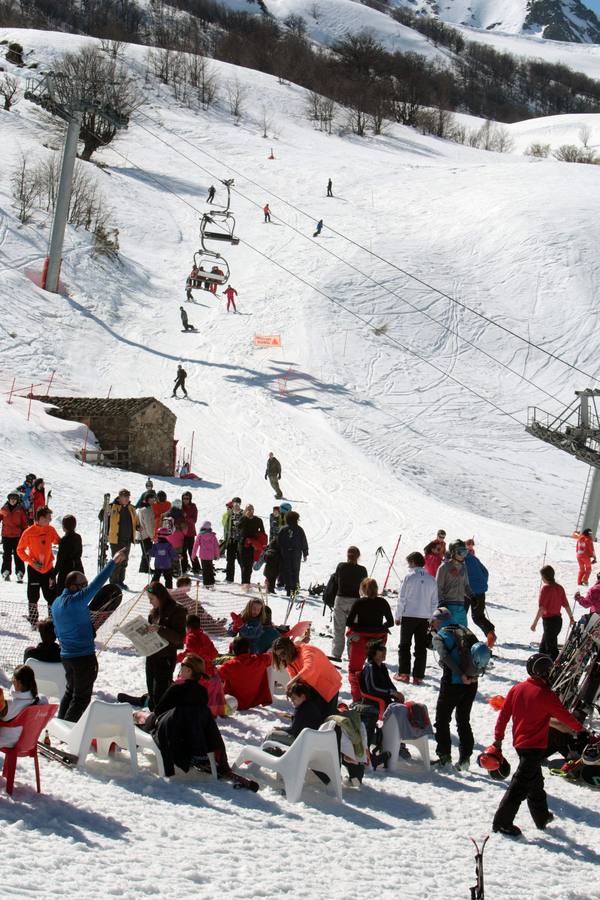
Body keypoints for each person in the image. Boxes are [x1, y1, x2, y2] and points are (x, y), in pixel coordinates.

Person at [491, 653, 583, 837]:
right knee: (519, 787)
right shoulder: (546, 694)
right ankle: (502, 823)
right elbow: (564, 716)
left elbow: (503, 716)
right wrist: (582, 731)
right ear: (543, 672)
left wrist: (498, 739)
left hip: (520, 744)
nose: (551, 673)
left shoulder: (517, 689)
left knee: (535, 782)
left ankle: (541, 817)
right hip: (534, 747)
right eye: (549, 670)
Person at [52, 550, 126, 721]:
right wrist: (113, 563)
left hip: (66, 657)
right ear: (72, 586)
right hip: (83, 658)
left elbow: (56, 630)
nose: (85, 588)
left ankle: (61, 725)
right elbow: (97, 584)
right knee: (81, 698)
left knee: (70, 692)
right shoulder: (76, 601)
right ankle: (68, 732)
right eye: (82, 585)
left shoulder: (56, 603)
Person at [143, 654, 231, 778]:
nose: (180, 669)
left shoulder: (176, 688)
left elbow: (159, 710)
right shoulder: (202, 692)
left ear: (189, 671)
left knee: (144, 718)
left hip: (174, 733)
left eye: (182, 666)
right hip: (194, 735)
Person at [430, 606, 479, 770]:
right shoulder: (465, 630)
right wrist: (471, 675)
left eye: (434, 621)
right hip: (472, 682)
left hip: (453, 681)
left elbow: (445, 657)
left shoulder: (440, 636)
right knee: (463, 720)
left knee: (442, 719)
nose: (433, 624)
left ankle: (444, 756)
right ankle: (465, 759)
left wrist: (460, 674)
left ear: (438, 620)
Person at [346, 577, 394, 701]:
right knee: (375, 666)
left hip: (361, 638)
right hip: (378, 638)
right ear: (376, 589)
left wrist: (360, 627)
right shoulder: (382, 602)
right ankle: (375, 695)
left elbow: (349, 622)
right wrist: (379, 627)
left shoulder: (359, 603)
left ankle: (357, 698)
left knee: (355, 670)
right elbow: (390, 622)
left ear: (363, 589)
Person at [394, 551, 438, 686]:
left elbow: (402, 599)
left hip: (409, 615)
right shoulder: (431, 579)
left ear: (413, 562)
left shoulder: (409, 577)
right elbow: (434, 601)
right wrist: (433, 618)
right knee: (420, 647)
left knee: (405, 645)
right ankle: (418, 676)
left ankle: (404, 673)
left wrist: (398, 615)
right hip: (424, 617)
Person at [271, 636, 342, 717]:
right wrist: (292, 690)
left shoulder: (307, 650)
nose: (281, 657)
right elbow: (294, 678)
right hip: (313, 687)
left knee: (329, 717)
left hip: (329, 684)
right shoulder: (289, 660)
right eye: (279, 655)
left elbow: (309, 669)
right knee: (315, 715)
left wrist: (290, 683)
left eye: (283, 653)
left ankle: (345, 713)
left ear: (289, 649)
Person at [145, 581, 187, 710]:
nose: (150, 602)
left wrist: (160, 629)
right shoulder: (154, 612)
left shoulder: (177, 610)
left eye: (152, 599)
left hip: (165, 658)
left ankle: (161, 720)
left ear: (160, 596)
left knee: (160, 693)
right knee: (151, 692)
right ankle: (153, 717)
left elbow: (179, 638)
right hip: (152, 655)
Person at [17, 506, 60, 625]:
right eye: (48, 518)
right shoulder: (28, 532)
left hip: (48, 569)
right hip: (34, 570)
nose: (50, 520)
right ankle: (33, 620)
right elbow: (20, 550)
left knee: (51, 597)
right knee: (33, 596)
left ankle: (52, 621)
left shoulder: (50, 530)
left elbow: (58, 541)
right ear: (41, 518)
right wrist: (31, 561)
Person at [330, 546, 368, 662]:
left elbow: (336, 580)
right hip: (355, 601)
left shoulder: (341, 566)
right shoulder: (362, 570)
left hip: (340, 598)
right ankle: (353, 653)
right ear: (358, 556)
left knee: (339, 629)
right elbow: (364, 586)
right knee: (354, 629)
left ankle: (337, 654)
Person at [531, 565, 575, 661]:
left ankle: (554, 666)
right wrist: (571, 617)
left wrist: (534, 623)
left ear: (544, 576)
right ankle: (540, 662)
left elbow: (542, 608)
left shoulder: (546, 589)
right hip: (558, 621)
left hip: (549, 621)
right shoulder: (559, 588)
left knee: (551, 648)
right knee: (544, 646)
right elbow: (566, 605)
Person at [217, 636, 273, 710]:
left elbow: (215, 677)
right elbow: (271, 655)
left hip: (233, 702)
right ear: (248, 649)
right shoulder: (260, 660)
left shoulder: (229, 665)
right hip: (254, 701)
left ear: (233, 650)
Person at [264, 681, 325, 747]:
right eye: (291, 698)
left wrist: (281, 728)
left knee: (271, 735)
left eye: (294, 698)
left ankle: (263, 754)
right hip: (310, 739)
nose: (291, 701)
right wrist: (289, 716)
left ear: (302, 696)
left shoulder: (301, 709)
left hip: (302, 741)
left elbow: (292, 730)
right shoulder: (310, 705)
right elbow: (302, 720)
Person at [0, 665, 47, 749]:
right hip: (28, 741)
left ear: (18, 683)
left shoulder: (10, 704)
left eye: (13, 679)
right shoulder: (42, 700)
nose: (12, 681)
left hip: (7, 740)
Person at [463, 538, 496, 648]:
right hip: (480, 591)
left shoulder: (461, 560)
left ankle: (461, 640)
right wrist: (481, 584)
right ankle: (490, 632)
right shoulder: (473, 558)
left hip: (468, 592)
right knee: (478, 616)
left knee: (461, 615)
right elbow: (485, 572)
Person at [105, 489, 139, 588]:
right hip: (116, 539)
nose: (126, 498)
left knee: (124, 561)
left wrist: (138, 526)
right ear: (119, 497)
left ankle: (120, 581)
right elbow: (102, 517)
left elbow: (136, 520)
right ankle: (113, 582)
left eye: (128, 496)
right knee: (116, 561)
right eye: (124, 496)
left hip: (127, 539)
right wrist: (105, 508)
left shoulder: (131, 508)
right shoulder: (112, 506)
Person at [359, 640, 404, 710]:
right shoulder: (370, 668)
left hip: (386, 702)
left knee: (414, 708)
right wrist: (392, 693)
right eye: (381, 649)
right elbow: (372, 689)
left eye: (384, 649)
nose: (384, 652)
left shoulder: (382, 667)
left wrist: (397, 695)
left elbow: (389, 684)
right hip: (375, 704)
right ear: (373, 652)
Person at [436, 540, 471, 626]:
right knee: (446, 634)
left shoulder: (463, 567)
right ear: (453, 553)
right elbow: (437, 587)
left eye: (465, 552)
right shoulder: (444, 567)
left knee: (463, 634)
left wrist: (472, 596)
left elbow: (466, 585)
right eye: (460, 552)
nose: (463, 556)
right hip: (447, 606)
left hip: (460, 606)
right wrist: (441, 603)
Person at [277, 511, 308, 597]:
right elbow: (303, 542)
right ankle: (295, 588)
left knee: (287, 570)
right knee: (296, 570)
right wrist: (305, 553)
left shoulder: (283, 529)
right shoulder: (300, 529)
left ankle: (288, 588)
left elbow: (278, 542)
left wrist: (279, 552)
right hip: (296, 553)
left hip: (285, 553)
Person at [1, 490, 28, 582]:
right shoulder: (4, 509)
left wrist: (24, 534)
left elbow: (25, 524)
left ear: (17, 500)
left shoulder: (20, 510)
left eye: (14, 499)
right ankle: (6, 571)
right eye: (11, 499)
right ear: (8, 500)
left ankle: (19, 572)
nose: (12, 501)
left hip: (17, 536)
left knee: (18, 555)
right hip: (6, 535)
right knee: (6, 555)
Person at [237, 503, 266, 587]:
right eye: (248, 509)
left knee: (249, 564)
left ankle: (246, 583)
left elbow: (263, 533)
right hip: (242, 544)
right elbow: (238, 527)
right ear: (245, 510)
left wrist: (260, 544)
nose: (250, 511)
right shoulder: (243, 519)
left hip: (253, 544)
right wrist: (245, 517)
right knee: (242, 564)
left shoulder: (258, 520)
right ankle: (245, 582)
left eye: (252, 509)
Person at [54, 515, 83, 594]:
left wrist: (53, 574)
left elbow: (60, 559)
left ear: (64, 526)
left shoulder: (64, 540)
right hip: (78, 568)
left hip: (66, 571)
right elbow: (80, 553)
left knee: (64, 595)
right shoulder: (78, 537)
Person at [192, 520, 220, 588]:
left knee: (205, 570)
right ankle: (211, 582)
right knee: (210, 568)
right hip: (210, 556)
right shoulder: (212, 536)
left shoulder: (200, 535)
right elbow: (216, 546)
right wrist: (217, 555)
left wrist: (193, 555)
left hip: (203, 556)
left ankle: (206, 583)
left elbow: (195, 546)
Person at [222, 497, 243, 583]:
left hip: (241, 542)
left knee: (242, 561)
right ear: (232, 504)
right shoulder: (229, 513)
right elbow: (224, 524)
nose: (236, 505)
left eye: (238, 503)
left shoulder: (243, 513)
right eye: (235, 503)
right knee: (230, 560)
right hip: (231, 540)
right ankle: (229, 578)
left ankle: (245, 580)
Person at [138, 490, 157, 574]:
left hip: (144, 534)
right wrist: (152, 536)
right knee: (147, 552)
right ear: (148, 500)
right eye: (152, 499)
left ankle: (144, 568)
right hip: (146, 535)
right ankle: (144, 568)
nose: (154, 500)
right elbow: (148, 524)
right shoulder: (146, 510)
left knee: (146, 552)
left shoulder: (144, 509)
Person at [180, 491, 199, 574]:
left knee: (192, 551)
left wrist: (186, 517)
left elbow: (194, 520)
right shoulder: (180, 507)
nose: (185, 500)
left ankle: (196, 567)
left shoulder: (193, 507)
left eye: (187, 498)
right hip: (181, 533)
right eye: (184, 498)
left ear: (190, 499)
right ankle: (183, 568)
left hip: (190, 532)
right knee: (182, 551)